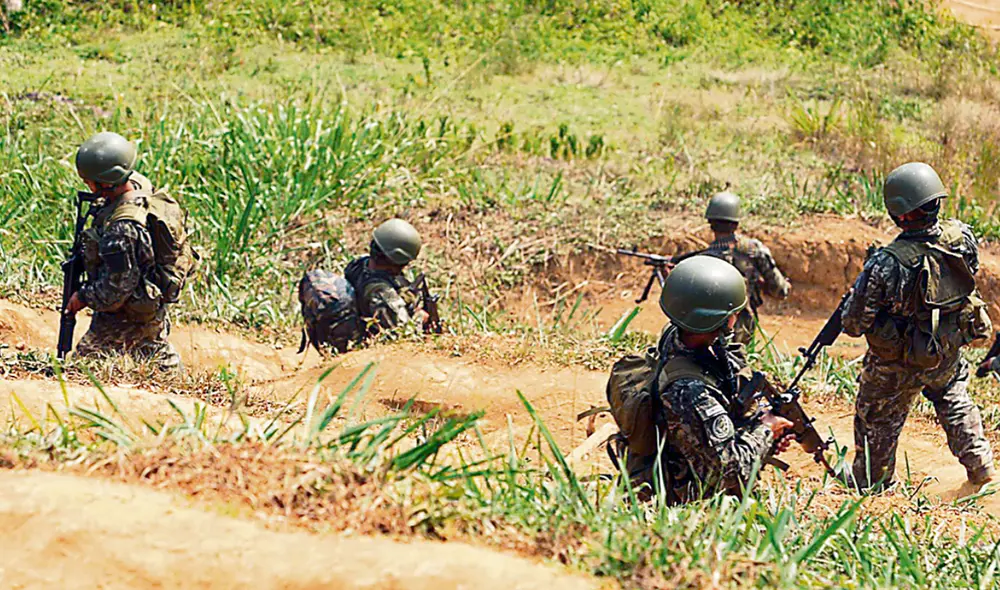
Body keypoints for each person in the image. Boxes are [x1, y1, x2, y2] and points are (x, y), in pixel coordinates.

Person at [842, 162, 994, 489]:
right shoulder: (962, 237)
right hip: (944, 349)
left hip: (894, 364)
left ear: (898, 214)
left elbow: (854, 325)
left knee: (878, 419)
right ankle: (980, 464)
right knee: (953, 397)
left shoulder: (885, 263)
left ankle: (873, 482)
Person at [643, 255, 794, 502]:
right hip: (690, 497)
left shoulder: (681, 333)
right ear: (720, 320)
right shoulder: (691, 391)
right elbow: (731, 473)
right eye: (735, 312)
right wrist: (766, 430)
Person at [65, 132, 183, 371]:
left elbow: (118, 288)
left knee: (82, 369)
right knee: (153, 350)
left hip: (128, 313)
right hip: (150, 303)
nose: (87, 185)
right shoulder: (138, 185)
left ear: (107, 182)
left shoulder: (122, 229)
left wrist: (83, 297)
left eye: (90, 181)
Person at [703, 192, 790, 346]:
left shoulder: (704, 259)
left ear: (710, 223)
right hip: (743, 329)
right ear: (736, 223)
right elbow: (780, 290)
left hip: (710, 331)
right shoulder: (754, 250)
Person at [344, 218, 430, 337]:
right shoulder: (382, 293)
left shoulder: (358, 265)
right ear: (397, 261)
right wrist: (420, 317)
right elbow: (405, 334)